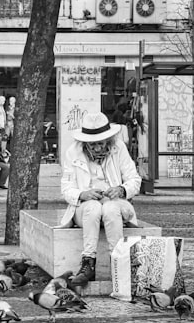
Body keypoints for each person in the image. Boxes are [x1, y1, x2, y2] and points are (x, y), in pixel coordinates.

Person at [59, 111, 142, 283]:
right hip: (86, 208)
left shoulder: (119, 148)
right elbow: (66, 189)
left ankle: (118, 262)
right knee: (94, 207)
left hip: (116, 204)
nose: (97, 148)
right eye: (92, 144)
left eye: (100, 143)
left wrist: (121, 189)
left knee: (110, 208)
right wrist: (83, 194)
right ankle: (88, 262)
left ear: (108, 140)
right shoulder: (72, 152)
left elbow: (134, 180)